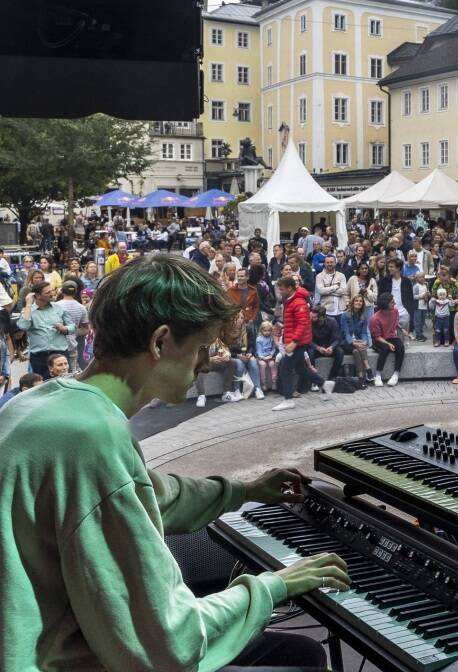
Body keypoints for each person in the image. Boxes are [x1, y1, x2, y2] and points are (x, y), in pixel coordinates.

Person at [0, 253, 348, 672]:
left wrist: (244, 490)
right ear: (160, 342)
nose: (205, 365)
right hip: (62, 659)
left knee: (299, 652)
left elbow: (141, 492)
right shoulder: (90, 437)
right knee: (303, 661)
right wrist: (275, 585)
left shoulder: (42, 403)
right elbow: (168, 640)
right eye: (201, 348)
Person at [273, 275, 333, 411]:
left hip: (298, 342)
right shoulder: (289, 299)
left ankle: (288, 400)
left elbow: (302, 324)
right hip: (296, 340)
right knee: (300, 368)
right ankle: (324, 384)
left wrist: (293, 342)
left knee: (285, 369)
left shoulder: (298, 302)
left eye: (282, 289)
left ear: (289, 288)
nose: (280, 291)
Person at [17, 281, 72, 379]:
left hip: (60, 353)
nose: (52, 294)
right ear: (38, 295)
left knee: (65, 382)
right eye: (48, 292)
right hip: (40, 356)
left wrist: (65, 328)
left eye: (52, 291)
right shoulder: (28, 310)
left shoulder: (59, 308)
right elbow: (23, 326)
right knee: (42, 385)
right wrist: (28, 304)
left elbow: (73, 326)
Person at [369, 292, 405, 387]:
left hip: (391, 337)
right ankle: (378, 375)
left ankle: (396, 374)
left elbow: (395, 323)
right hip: (379, 340)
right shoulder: (375, 318)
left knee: (401, 346)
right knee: (385, 348)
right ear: (385, 304)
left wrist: (403, 330)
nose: (395, 304)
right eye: (392, 302)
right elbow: (376, 336)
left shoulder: (395, 311)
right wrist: (388, 344)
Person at [55, 281, 91, 374]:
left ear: (62, 291)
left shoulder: (55, 306)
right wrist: (73, 332)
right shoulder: (81, 307)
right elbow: (85, 329)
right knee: (71, 374)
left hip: (56, 345)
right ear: (76, 292)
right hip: (72, 345)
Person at [309, 304, 345, 382]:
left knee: (340, 352)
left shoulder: (332, 321)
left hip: (329, 347)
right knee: (310, 353)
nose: (312, 318)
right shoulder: (309, 322)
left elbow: (337, 339)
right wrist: (317, 347)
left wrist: (331, 347)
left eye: (314, 317)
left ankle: (332, 377)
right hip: (316, 348)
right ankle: (314, 380)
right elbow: (308, 340)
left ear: (322, 317)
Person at [255, 320, 279, 393]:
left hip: (270, 356)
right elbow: (258, 350)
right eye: (265, 330)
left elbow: (273, 348)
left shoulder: (271, 338)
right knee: (263, 365)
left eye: (269, 330)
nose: (267, 332)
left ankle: (274, 382)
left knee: (272, 364)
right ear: (261, 330)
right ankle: (263, 383)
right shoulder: (259, 339)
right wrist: (262, 357)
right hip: (262, 357)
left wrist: (271, 355)